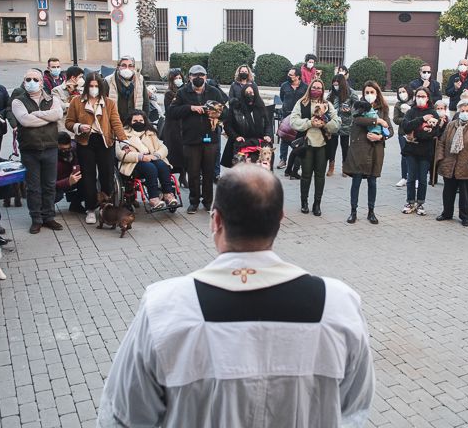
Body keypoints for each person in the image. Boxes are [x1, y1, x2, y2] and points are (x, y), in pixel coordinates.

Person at [97, 164, 374, 427]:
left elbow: (122, 416)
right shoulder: (338, 306)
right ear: (280, 218)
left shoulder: (165, 308)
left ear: (216, 220)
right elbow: (354, 411)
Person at [65, 72, 128, 224]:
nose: (94, 89)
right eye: (91, 86)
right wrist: (79, 127)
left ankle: (107, 206)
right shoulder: (77, 102)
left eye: (96, 86)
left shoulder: (109, 102)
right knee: (88, 176)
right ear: (86, 86)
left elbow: (116, 123)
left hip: (105, 141)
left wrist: (124, 141)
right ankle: (90, 208)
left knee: (107, 175)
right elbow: (69, 122)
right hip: (85, 142)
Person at [167, 65, 227, 214]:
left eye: (202, 75)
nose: (198, 78)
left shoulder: (214, 91)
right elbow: (172, 112)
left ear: (206, 77)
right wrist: (190, 108)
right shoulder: (182, 92)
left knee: (208, 172)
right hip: (190, 139)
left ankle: (208, 202)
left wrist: (215, 112)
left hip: (210, 138)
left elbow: (226, 112)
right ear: (190, 77)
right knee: (193, 173)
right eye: (195, 75)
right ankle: (193, 201)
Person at [11, 68, 63, 234]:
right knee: (33, 187)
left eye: (35, 79)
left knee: (49, 185)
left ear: (41, 82)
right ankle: (36, 218)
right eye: (28, 79)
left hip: (50, 147)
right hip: (30, 149)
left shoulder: (52, 98)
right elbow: (25, 121)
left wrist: (37, 114)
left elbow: (58, 114)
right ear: (24, 81)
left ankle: (49, 216)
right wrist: (47, 117)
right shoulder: (18, 101)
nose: (31, 82)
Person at [290, 78, 340, 216]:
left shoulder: (327, 105)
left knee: (320, 176)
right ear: (309, 88)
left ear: (323, 90)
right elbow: (293, 121)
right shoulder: (302, 103)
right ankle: (304, 202)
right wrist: (309, 123)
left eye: (319, 88)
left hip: (323, 145)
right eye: (314, 87)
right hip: (307, 144)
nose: (316, 90)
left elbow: (337, 123)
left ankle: (317, 203)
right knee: (306, 175)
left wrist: (325, 124)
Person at [343, 81, 391, 224]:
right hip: (360, 149)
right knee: (356, 181)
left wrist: (381, 136)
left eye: (372, 92)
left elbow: (391, 130)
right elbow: (358, 120)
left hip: (376, 149)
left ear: (377, 93)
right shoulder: (359, 105)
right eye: (367, 92)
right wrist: (377, 122)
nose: (369, 95)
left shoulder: (383, 109)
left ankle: (371, 211)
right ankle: (353, 211)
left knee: (372, 182)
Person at [435, 99, 468, 226]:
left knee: (465, 194)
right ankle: (447, 213)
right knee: (448, 192)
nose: (465, 113)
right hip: (450, 164)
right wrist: (441, 158)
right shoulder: (451, 125)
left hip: (467, 166)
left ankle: (465, 216)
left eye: (467, 111)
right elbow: (442, 142)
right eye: (462, 111)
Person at [117, 111, 179, 210]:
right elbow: (120, 154)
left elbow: (163, 148)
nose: (139, 122)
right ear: (130, 122)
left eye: (141, 120)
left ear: (145, 120)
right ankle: (153, 198)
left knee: (163, 166)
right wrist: (141, 157)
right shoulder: (123, 134)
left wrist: (156, 155)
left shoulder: (150, 132)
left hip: (152, 157)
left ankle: (168, 195)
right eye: (135, 120)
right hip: (134, 162)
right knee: (151, 168)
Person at [401, 87, 441, 216]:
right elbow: (406, 127)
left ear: (428, 98)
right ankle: (410, 201)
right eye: (418, 96)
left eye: (423, 96)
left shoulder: (433, 113)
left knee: (423, 178)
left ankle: (420, 203)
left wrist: (415, 134)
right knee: (411, 177)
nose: (420, 98)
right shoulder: (411, 111)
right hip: (411, 150)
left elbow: (433, 133)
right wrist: (422, 119)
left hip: (425, 150)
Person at [221, 83, 272, 169]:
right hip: (241, 144)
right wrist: (236, 136)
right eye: (247, 92)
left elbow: (268, 124)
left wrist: (268, 134)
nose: (249, 94)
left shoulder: (261, 107)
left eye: (251, 92)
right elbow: (227, 125)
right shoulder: (236, 107)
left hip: (258, 144)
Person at [326, 74, 359, 177]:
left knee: (345, 147)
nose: (336, 85)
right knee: (332, 146)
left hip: (346, 124)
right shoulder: (331, 94)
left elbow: (357, 106)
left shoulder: (351, 93)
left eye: (337, 83)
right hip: (334, 124)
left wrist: (350, 110)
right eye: (334, 83)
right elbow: (326, 106)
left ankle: (345, 168)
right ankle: (331, 167)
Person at [106, 55, 152, 124]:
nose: (127, 68)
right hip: (116, 122)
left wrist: (144, 121)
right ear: (118, 67)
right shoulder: (109, 81)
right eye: (124, 65)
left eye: (130, 66)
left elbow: (146, 102)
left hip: (135, 122)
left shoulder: (139, 80)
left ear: (133, 68)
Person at [277, 67, 307, 170]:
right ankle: (283, 159)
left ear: (297, 77)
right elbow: (282, 97)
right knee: (284, 137)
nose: (288, 76)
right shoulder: (284, 86)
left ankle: (298, 160)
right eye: (288, 74)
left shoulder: (305, 87)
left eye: (291, 75)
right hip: (286, 114)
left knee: (298, 138)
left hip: (299, 116)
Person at [162, 68, 186, 187]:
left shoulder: (185, 91)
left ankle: (183, 175)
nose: (178, 80)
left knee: (183, 152)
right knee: (171, 152)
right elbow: (170, 110)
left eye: (180, 78)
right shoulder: (169, 93)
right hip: (172, 126)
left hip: (183, 125)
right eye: (176, 78)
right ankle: (168, 177)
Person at [54, 132, 84, 213]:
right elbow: (48, 183)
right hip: (57, 185)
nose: (66, 151)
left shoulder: (75, 149)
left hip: (73, 179)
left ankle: (75, 204)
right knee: (56, 194)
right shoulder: (51, 157)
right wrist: (68, 181)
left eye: (68, 148)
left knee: (88, 183)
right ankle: (46, 209)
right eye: (62, 150)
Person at [52, 66, 85, 133]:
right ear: (73, 78)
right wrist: (75, 105)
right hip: (65, 130)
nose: (82, 80)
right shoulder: (56, 90)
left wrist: (76, 91)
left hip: (81, 129)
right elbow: (60, 107)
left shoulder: (82, 90)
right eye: (80, 77)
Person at [393, 84, 413, 187]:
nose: (402, 94)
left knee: (414, 155)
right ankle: (404, 177)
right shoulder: (398, 104)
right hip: (402, 133)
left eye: (403, 91)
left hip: (414, 133)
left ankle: (414, 177)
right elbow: (395, 119)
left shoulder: (414, 103)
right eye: (400, 92)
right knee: (404, 155)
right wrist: (406, 119)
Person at [429, 98, 450, 185]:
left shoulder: (448, 119)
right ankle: (433, 178)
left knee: (443, 160)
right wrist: (439, 124)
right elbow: (434, 131)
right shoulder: (433, 119)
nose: (440, 110)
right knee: (433, 160)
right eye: (438, 109)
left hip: (443, 142)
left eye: (442, 109)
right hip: (434, 142)